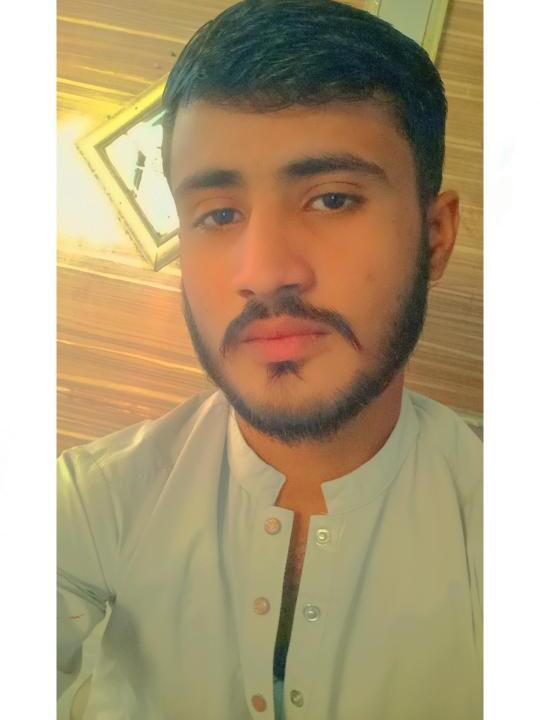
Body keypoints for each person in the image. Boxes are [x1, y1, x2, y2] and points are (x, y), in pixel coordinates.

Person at [57, 1, 482, 718]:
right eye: (219, 215)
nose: (263, 272)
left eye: (332, 199)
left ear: (435, 237)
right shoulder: (92, 502)